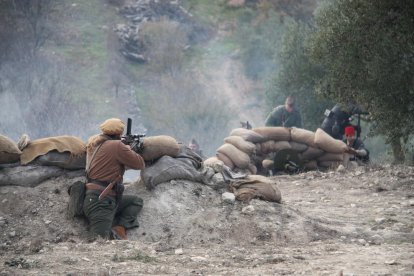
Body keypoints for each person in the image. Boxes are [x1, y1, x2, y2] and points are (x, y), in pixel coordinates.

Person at [83, 118, 145, 240]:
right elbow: (140, 164)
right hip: (101, 202)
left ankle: (120, 228)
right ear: (119, 134)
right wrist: (128, 149)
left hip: (97, 197)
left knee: (135, 201)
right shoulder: (116, 145)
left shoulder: (94, 143)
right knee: (98, 241)